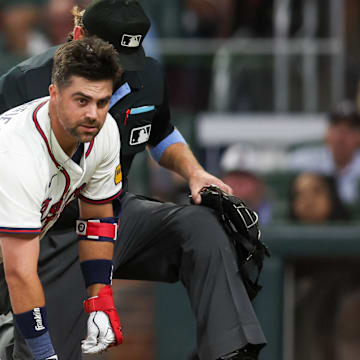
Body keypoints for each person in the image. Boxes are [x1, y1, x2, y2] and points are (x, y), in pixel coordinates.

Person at [0, 1, 267, 359]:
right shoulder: (24, 88)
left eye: (127, 56)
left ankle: (230, 352)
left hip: (109, 216)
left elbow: (159, 134)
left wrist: (194, 172)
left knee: (202, 226)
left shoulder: (123, 105)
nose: (119, 69)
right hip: (39, 232)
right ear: (79, 36)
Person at [0, 37, 124, 359]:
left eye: (102, 102)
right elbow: (20, 272)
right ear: (54, 94)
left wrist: (100, 298)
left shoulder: (104, 130)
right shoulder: (16, 151)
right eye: (81, 100)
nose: (93, 114)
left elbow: (96, 217)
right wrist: (45, 355)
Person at [288, 100, 360, 207]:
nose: (341, 138)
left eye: (349, 130)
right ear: (327, 134)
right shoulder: (310, 160)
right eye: (336, 129)